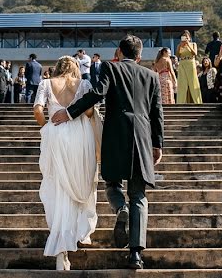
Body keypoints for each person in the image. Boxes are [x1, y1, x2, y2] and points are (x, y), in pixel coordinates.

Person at [52, 35, 164, 271]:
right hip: (142, 139)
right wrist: (157, 144)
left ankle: (120, 208)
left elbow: (96, 94)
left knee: (112, 183)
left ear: (119, 52)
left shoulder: (109, 68)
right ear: (140, 55)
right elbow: (157, 113)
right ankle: (135, 255)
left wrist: (69, 112)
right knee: (139, 196)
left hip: (115, 136)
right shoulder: (152, 76)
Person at [32, 56, 99, 270]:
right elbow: (89, 112)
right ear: (75, 68)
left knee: (57, 187)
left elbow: (37, 110)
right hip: (80, 136)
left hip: (55, 137)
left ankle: (62, 250)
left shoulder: (45, 83)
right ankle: (80, 232)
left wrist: (46, 128)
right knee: (82, 182)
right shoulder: (85, 84)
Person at [175, 30, 202, 104]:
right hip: (182, 63)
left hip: (191, 62)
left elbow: (195, 53)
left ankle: (197, 102)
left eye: (186, 37)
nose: (185, 38)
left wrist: (188, 44)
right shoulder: (179, 45)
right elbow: (177, 55)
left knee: (193, 82)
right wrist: (181, 46)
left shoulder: (193, 44)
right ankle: (181, 102)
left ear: (189, 38)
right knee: (182, 83)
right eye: (183, 36)